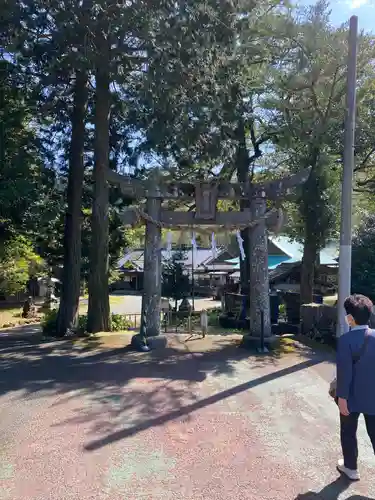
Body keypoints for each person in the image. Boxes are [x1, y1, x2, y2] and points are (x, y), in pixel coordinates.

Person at [336, 294, 375, 481]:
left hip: (351, 397)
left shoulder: (345, 340)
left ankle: (351, 468)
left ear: (350, 318)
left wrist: (341, 397)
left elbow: (345, 373)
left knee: (348, 432)